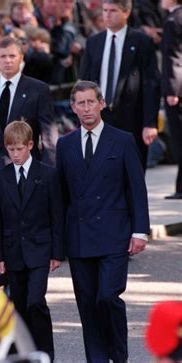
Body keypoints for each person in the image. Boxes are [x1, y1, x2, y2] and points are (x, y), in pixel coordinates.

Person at [56, 80, 149, 363]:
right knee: (87, 305)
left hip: (114, 235)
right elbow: (60, 196)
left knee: (107, 297)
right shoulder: (65, 144)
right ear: (73, 108)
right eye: (80, 103)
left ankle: (119, 356)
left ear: (102, 103)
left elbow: (136, 188)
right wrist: (57, 245)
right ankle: (96, 359)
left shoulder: (122, 140)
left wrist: (140, 231)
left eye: (90, 102)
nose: (86, 108)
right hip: (79, 236)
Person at [0, 36, 57, 286]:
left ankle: (18, 281)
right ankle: (4, 278)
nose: (7, 61)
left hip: (26, 170)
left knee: (20, 228)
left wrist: (49, 171)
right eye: (2, 56)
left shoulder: (37, 89)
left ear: (21, 58)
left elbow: (48, 132)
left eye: (12, 56)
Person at [0, 120, 63, 360]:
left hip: (40, 250)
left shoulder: (47, 175)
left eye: (19, 149)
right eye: (10, 149)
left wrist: (57, 252)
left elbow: (57, 216)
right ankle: (26, 354)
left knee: (35, 302)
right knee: (19, 307)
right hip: (13, 252)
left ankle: (46, 353)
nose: (15, 154)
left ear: (30, 145)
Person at [80, 0, 161, 170]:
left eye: (113, 11)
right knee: (102, 172)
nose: (107, 15)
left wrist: (150, 123)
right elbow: (84, 83)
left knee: (132, 172)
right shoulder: (93, 43)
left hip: (132, 118)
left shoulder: (141, 42)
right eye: (105, 10)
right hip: (100, 117)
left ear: (126, 13)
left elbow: (150, 84)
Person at [160, 0, 182, 199]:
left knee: (179, 138)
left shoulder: (173, 21)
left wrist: (172, 89)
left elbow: (173, 57)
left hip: (178, 89)